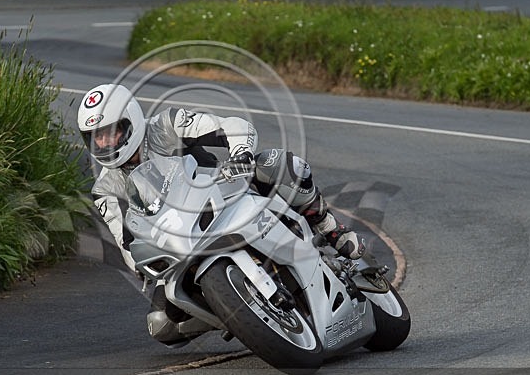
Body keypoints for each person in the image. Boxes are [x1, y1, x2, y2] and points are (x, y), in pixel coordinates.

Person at [78, 83, 364, 346]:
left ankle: (330, 229)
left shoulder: (166, 125)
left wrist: (240, 154)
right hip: (180, 242)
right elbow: (125, 243)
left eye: (110, 132)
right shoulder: (105, 189)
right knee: (163, 325)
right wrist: (142, 261)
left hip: (226, 194)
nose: (104, 143)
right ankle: (234, 313)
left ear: (132, 121)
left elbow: (234, 126)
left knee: (277, 164)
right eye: (96, 138)